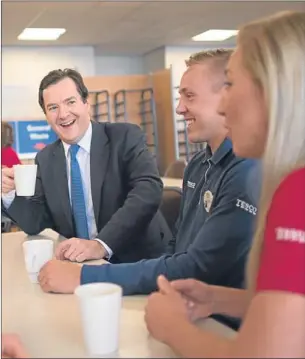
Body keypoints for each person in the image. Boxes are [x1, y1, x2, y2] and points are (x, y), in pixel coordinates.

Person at [38, 49, 259, 328]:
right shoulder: (199, 165)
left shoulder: (247, 171)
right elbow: (178, 249)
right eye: (52, 107)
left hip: (226, 324)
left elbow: (196, 266)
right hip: (186, 304)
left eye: (189, 96)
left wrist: (85, 277)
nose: (179, 108)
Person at [144, 10, 305, 358]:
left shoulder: (297, 192)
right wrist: (220, 298)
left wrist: (174, 329)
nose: (224, 103)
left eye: (230, 83)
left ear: (272, 91)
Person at [1, 68, 168, 264]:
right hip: (81, 265)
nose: (63, 114)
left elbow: (148, 192)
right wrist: (9, 192)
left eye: (70, 102)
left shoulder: (125, 137)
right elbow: (34, 222)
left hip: (138, 261)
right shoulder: (45, 159)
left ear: (86, 103)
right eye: (53, 107)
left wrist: (100, 245)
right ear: (46, 115)